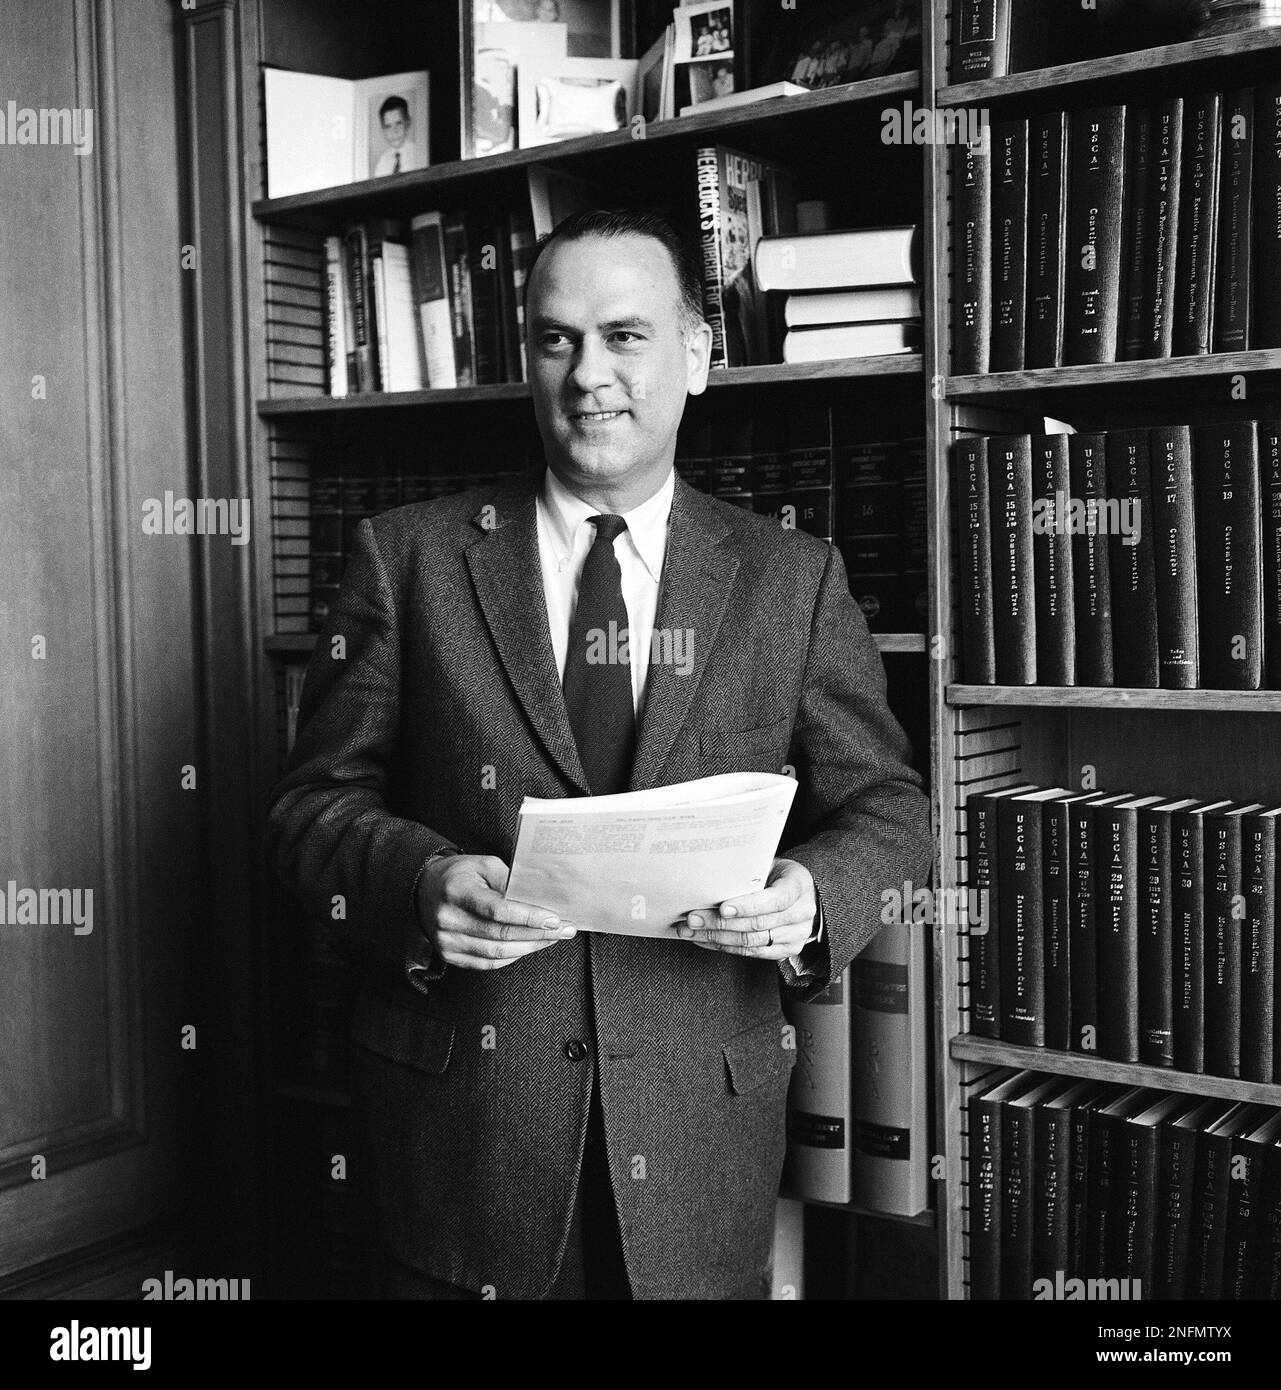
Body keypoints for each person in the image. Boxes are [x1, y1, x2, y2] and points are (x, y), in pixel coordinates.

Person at [267, 208, 933, 1300]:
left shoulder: (792, 579)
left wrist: (811, 895)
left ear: (697, 357)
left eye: (625, 335)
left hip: (696, 1147)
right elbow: (308, 811)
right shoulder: (406, 560)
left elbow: (893, 810)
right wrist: (421, 885)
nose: (589, 376)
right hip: (461, 1141)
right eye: (556, 339)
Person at [372, 95, 422, 176]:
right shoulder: (382, 162)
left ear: (408, 122)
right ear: (382, 130)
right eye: (388, 126)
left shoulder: (418, 154)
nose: (394, 131)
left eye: (398, 123)